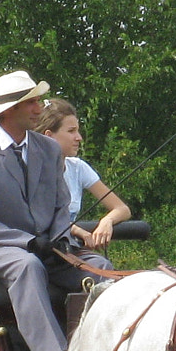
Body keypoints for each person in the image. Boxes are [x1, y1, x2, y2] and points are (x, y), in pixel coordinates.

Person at [0, 71, 110, 351]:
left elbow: (60, 206)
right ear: (10, 110)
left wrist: (59, 236)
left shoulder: (48, 149)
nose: (40, 108)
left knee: (100, 268)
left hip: (50, 246)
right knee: (26, 266)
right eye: (32, 102)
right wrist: (27, 242)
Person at [36, 98, 131, 250]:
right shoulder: (30, 171)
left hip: (70, 248)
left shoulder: (78, 168)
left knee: (103, 267)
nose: (79, 137)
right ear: (49, 136)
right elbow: (41, 220)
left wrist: (107, 221)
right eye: (71, 131)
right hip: (41, 250)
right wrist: (77, 230)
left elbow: (122, 209)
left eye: (78, 130)